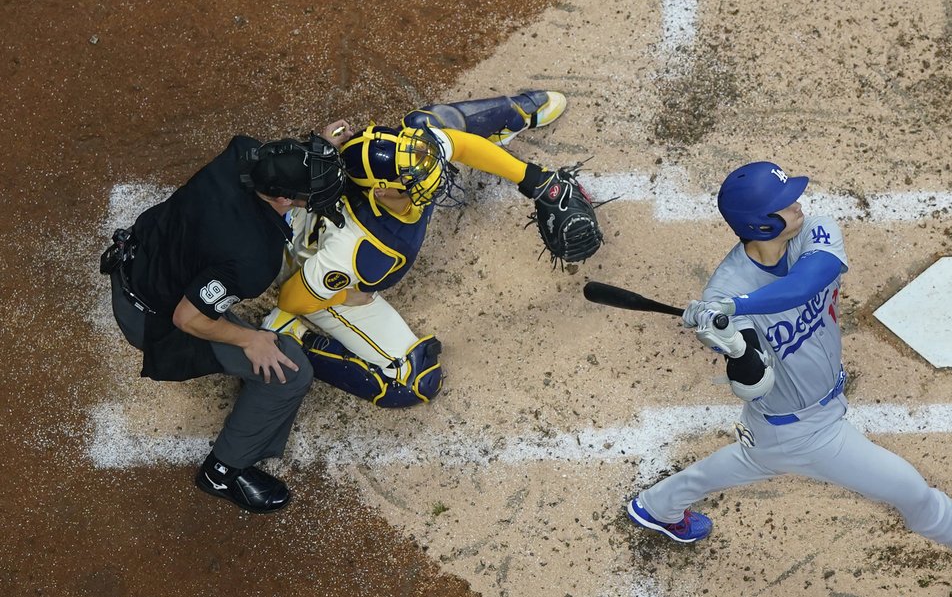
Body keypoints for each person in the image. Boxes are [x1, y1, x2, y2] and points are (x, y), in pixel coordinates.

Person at [625, 161, 952, 591]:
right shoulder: (723, 293)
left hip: (794, 420)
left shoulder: (810, 232)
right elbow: (753, 384)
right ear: (761, 224)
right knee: (911, 492)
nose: (799, 205)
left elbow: (808, 281)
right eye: (784, 205)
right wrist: (731, 343)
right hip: (804, 431)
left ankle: (657, 506)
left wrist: (739, 307)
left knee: (755, 459)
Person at [262, 90, 602, 407]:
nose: (435, 175)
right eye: (415, 181)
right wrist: (342, 295)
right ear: (381, 192)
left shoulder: (404, 167)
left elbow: (457, 146)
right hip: (311, 275)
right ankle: (292, 335)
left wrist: (534, 179)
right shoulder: (361, 250)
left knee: (425, 127)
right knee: (415, 383)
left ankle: (513, 113)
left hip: (338, 225)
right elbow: (291, 297)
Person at [102, 133, 346, 513]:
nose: (311, 200)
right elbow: (189, 317)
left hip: (140, 255)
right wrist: (249, 340)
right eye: (307, 194)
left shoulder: (243, 154)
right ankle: (224, 472)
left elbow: (278, 157)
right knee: (290, 372)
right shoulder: (253, 258)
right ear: (282, 198)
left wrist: (313, 156)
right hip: (153, 316)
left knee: (218, 287)